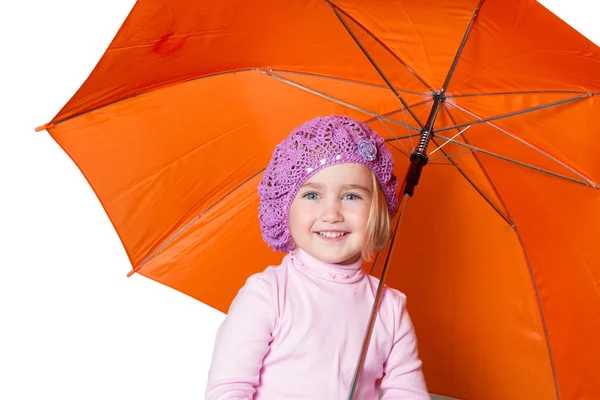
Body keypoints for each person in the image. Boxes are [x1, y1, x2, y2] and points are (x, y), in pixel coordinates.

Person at [206, 115, 429, 399]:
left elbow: (407, 393)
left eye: (351, 196)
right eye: (312, 196)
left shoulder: (388, 309)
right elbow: (229, 389)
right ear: (285, 207)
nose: (332, 214)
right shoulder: (268, 294)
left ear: (378, 211)